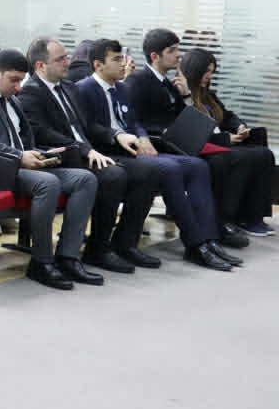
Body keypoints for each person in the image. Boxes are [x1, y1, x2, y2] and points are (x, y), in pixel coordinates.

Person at [76, 38, 234, 270]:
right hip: (108, 152)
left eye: (122, 58)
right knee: (168, 168)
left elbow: (134, 122)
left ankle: (209, 238)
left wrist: (142, 137)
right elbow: (87, 127)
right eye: (116, 59)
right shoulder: (83, 88)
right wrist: (118, 136)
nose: (123, 64)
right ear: (98, 65)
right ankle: (195, 243)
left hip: (133, 149)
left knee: (197, 165)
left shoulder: (122, 88)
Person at [0, 49, 99, 290]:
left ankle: (67, 256)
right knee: (48, 183)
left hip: (22, 166)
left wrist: (45, 154)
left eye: (21, 80)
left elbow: (23, 141)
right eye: (13, 80)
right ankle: (41, 261)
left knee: (85, 179)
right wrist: (18, 156)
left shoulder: (12, 99)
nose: (18, 87)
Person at [19, 37, 159, 274]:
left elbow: (88, 126)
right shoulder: (31, 93)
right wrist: (85, 150)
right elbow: (43, 132)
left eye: (67, 56)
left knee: (149, 170)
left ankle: (125, 243)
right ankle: (97, 249)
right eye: (60, 59)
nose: (68, 62)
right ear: (41, 66)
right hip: (65, 156)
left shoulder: (68, 87)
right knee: (113, 175)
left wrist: (115, 135)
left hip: (87, 152)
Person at [125, 28, 249, 255]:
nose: (179, 55)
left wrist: (185, 96)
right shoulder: (137, 81)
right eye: (172, 50)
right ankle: (204, 235)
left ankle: (211, 233)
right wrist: (160, 132)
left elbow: (189, 118)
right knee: (210, 162)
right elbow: (134, 121)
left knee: (221, 159)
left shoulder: (169, 84)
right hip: (158, 143)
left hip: (176, 142)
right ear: (155, 56)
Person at [179, 47, 274, 237]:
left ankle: (252, 216)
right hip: (204, 147)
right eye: (206, 71)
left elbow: (228, 116)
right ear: (195, 70)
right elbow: (190, 132)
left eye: (212, 72)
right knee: (240, 158)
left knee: (263, 154)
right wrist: (226, 139)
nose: (209, 76)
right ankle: (228, 217)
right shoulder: (181, 95)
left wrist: (239, 126)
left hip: (220, 142)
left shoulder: (208, 95)